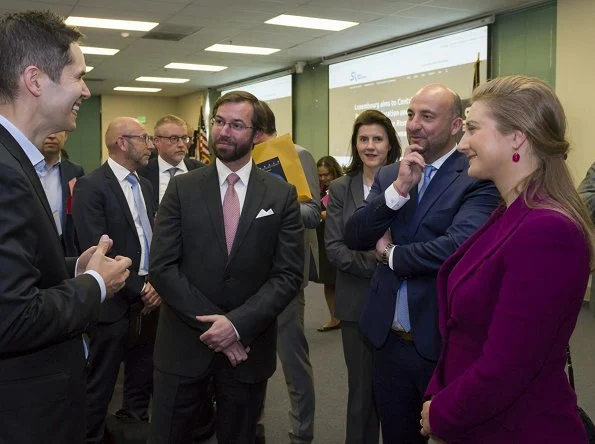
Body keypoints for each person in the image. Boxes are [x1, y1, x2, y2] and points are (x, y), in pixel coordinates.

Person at [420, 75, 594, 444]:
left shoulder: (547, 231)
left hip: (516, 427)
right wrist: (439, 395)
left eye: (472, 129)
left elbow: (509, 367)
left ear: (517, 138)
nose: (463, 143)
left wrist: (442, 413)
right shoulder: (513, 211)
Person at [0, 10, 131, 443]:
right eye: (79, 76)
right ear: (35, 80)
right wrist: (94, 284)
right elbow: (12, 317)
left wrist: (73, 269)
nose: (86, 90)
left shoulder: (16, 160)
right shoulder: (5, 169)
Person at [344, 83, 500, 444]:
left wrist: (389, 255)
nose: (414, 125)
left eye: (427, 117)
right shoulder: (391, 173)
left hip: (440, 341)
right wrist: (397, 192)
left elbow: (456, 247)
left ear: (456, 125)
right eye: (411, 114)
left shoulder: (477, 175)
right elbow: (354, 235)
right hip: (386, 342)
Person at [148, 91, 304, 444]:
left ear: (257, 134)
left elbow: (289, 275)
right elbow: (162, 267)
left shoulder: (281, 195)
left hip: (247, 353)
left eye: (236, 125)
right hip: (183, 348)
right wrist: (220, 327)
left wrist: (237, 325)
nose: (223, 132)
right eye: (219, 122)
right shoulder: (181, 187)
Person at [72, 117, 160, 443]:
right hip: (112, 303)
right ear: (123, 142)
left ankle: (133, 433)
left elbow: (150, 237)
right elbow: (97, 249)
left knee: (141, 382)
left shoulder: (146, 185)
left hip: (150, 301)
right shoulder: (91, 186)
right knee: (100, 387)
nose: (150, 145)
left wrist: (156, 285)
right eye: (144, 138)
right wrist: (140, 288)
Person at [325, 109, 401, 444]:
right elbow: (334, 248)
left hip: (401, 304)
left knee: (399, 394)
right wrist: (385, 260)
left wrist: (390, 257)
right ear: (355, 144)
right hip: (356, 304)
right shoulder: (341, 188)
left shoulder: (407, 181)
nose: (370, 146)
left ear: (390, 144)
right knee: (361, 394)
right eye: (363, 139)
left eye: (377, 139)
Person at [253, 100, 319, 444]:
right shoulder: (237, 158)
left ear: (258, 128)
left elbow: (312, 214)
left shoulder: (297, 154)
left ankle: (301, 435)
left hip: (285, 277)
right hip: (247, 279)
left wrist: (276, 203)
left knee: (293, 363)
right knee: (247, 365)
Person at [137, 114, 204, 208]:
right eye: (173, 139)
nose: (181, 144)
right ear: (156, 141)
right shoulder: (141, 173)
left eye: (184, 138)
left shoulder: (201, 171)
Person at [39, 130, 85, 256]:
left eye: (58, 130)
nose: (52, 136)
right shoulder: (22, 167)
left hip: (64, 249)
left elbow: (76, 212)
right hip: (31, 248)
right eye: (47, 129)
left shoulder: (75, 171)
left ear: (66, 135)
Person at [315, 155, 343, 331]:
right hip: (322, 238)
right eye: (320, 175)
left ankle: (344, 316)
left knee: (341, 281)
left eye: (326, 174)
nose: (323, 178)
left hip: (339, 239)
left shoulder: (341, 188)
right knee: (328, 281)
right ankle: (333, 318)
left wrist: (324, 214)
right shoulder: (318, 190)